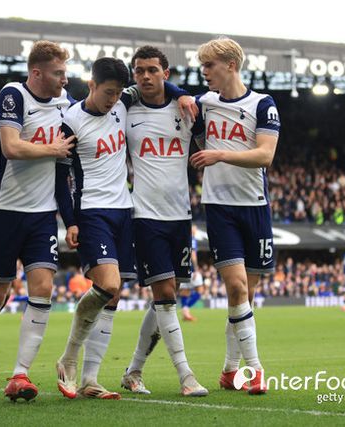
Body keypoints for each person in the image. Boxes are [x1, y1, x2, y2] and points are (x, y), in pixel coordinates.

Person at [55, 56, 197, 400]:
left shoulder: (123, 103)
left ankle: (90, 379)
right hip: (92, 211)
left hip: (125, 211)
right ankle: (68, 358)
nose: (113, 99)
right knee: (108, 285)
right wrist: (70, 221)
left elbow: (158, 84)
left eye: (118, 93)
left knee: (114, 295)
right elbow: (60, 178)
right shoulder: (71, 121)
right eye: (107, 92)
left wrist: (180, 93)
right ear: (91, 85)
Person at [0, 40, 74, 402]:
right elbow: (11, 147)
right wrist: (53, 149)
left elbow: (103, 102)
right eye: (58, 73)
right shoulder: (13, 95)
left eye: (65, 73)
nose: (64, 79)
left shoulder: (66, 104)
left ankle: (20, 374)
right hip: (6, 211)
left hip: (42, 215)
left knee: (43, 288)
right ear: (37, 72)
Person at [189, 37, 281, 395]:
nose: (204, 72)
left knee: (244, 296)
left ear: (230, 65)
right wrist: (181, 96)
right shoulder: (204, 104)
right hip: (219, 207)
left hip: (255, 206)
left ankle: (229, 369)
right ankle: (255, 370)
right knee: (237, 287)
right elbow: (181, 105)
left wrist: (220, 155)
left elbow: (265, 156)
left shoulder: (263, 104)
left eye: (209, 65)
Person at [120, 46, 207, 397]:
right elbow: (97, 102)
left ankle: (133, 370)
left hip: (180, 216)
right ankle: (186, 375)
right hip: (145, 215)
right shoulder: (126, 110)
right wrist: (178, 90)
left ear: (165, 74)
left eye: (152, 70)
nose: (145, 76)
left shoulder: (186, 109)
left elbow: (208, 141)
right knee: (166, 295)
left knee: (166, 298)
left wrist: (181, 94)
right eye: (139, 70)